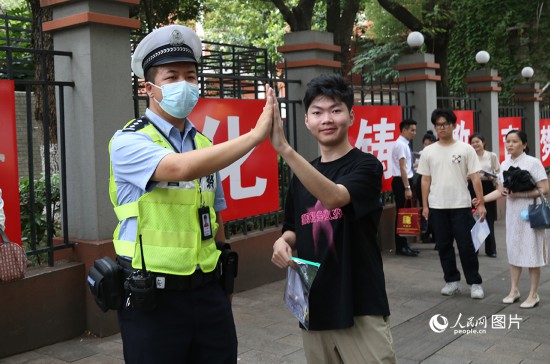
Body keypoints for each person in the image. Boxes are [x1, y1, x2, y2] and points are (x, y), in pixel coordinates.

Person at [109, 24, 274, 363]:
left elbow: (214, 216)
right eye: (172, 77)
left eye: (191, 76)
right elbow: (179, 168)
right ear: (148, 87)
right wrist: (256, 136)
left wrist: (224, 284)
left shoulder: (204, 145)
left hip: (208, 295)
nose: (184, 84)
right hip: (152, 300)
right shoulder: (128, 141)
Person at [271, 74, 396, 363]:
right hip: (313, 304)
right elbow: (293, 227)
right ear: (307, 121)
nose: (326, 119)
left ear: (351, 116)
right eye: (317, 112)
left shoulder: (367, 166)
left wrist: (285, 150)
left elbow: (335, 197)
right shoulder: (301, 175)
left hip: (360, 303)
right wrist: (282, 242)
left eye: (336, 110)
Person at [416, 108, 487, 299]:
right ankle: (452, 281)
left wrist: (480, 204)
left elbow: (475, 178)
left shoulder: (465, 149)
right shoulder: (428, 152)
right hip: (437, 206)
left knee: (466, 246)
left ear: (453, 125)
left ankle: (475, 282)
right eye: (438, 124)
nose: (442, 128)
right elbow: (425, 180)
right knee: (444, 245)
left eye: (445, 124)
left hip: (461, 205)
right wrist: (425, 205)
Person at [475, 130, 548, 309]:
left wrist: (520, 194)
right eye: (507, 141)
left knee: (532, 252)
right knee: (514, 250)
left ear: (524, 144)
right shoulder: (505, 163)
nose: (510, 144)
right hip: (513, 214)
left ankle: (533, 294)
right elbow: (501, 190)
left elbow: (544, 188)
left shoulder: (534, 163)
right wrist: (482, 199)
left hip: (531, 212)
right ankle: (514, 290)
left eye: (514, 141)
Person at [468, 133, 500, 257]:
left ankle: (491, 249)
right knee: (473, 218)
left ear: (483, 143)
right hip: (472, 187)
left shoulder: (491, 156)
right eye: (473, 142)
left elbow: (498, 172)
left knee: (489, 218)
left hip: (488, 187)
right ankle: (474, 248)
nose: (475, 144)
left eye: (478, 141)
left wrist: (492, 178)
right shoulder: (469, 156)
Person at [391, 119, 419, 256]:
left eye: (414, 130)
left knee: (404, 215)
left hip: (404, 181)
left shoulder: (404, 144)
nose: (414, 133)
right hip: (401, 182)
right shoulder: (401, 145)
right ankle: (401, 247)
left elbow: (406, 167)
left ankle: (404, 245)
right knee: (402, 215)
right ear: (404, 130)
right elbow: (402, 168)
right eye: (412, 130)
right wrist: (407, 187)